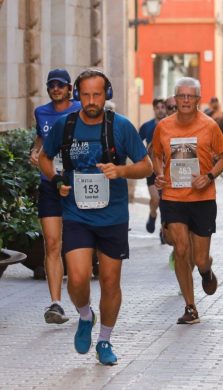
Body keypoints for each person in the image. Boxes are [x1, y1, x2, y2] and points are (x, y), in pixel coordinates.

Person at [39, 69, 152, 365]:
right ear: (77, 95)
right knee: (76, 278)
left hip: (113, 216)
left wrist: (122, 171)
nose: (91, 101)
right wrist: (55, 181)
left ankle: (104, 340)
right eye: (86, 94)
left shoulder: (121, 126)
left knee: (111, 281)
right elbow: (43, 157)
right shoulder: (66, 126)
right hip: (77, 214)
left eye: (97, 94)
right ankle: (85, 315)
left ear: (107, 95)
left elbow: (147, 166)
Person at [152, 77, 223, 325]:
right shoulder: (163, 126)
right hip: (173, 197)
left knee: (200, 257)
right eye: (181, 96)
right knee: (181, 249)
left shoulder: (209, 126)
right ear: (175, 99)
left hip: (202, 198)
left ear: (197, 100)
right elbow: (156, 154)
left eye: (190, 97)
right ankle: (190, 306)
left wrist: (208, 176)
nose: (185, 101)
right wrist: (159, 174)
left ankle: (205, 270)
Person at [29, 68, 81, 322]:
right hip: (50, 182)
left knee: (76, 245)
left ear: (69, 88)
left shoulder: (82, 108)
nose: (56, 89)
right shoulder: (41, 112)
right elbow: (41, 138)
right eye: (52, 86)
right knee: (52, 243)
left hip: (77, 183)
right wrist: (35, 150)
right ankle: (55, 304)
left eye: (60, 85)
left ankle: (83, 304)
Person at [139, 98, 167, 235]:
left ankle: (163, 230)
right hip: (151, 169)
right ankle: (152, 214)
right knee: (156, 198)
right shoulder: (147, 126)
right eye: (158, 107)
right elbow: (137, 144)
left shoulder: (170, 125)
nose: (160, 109)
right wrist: (144, 158)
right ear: (154, 109)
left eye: (163, 107)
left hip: (167, 168)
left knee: (165, 202)